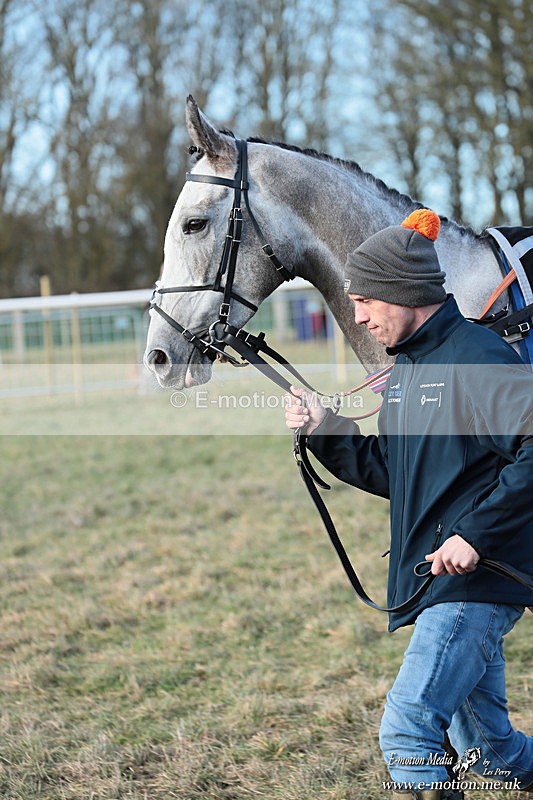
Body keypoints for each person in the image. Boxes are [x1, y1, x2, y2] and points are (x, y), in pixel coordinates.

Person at [284, 209, 533, 800]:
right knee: (489, 753)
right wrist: (327, 429)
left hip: (477, 579)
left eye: (367, 300)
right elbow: (399, 473)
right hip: (437, 580)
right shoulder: (408, 371)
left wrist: (473, 534)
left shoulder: (478, 359)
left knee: (408, 731)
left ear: (406, 294)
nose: (359, 316)